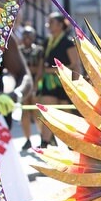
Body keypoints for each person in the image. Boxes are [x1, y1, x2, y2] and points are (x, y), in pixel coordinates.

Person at [37, 13, 78, 144]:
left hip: (64, 81)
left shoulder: (68, 42)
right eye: (48, 22)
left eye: (51, 22)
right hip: (49, 82)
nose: (48, 25)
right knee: (48, 111)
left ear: (60, 25)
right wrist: (36, 83)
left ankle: (73, 142)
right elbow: (41, 64)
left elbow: (75, 64)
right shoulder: (46, 42)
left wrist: (76, 84)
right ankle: (45, 141)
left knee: (66, 113)